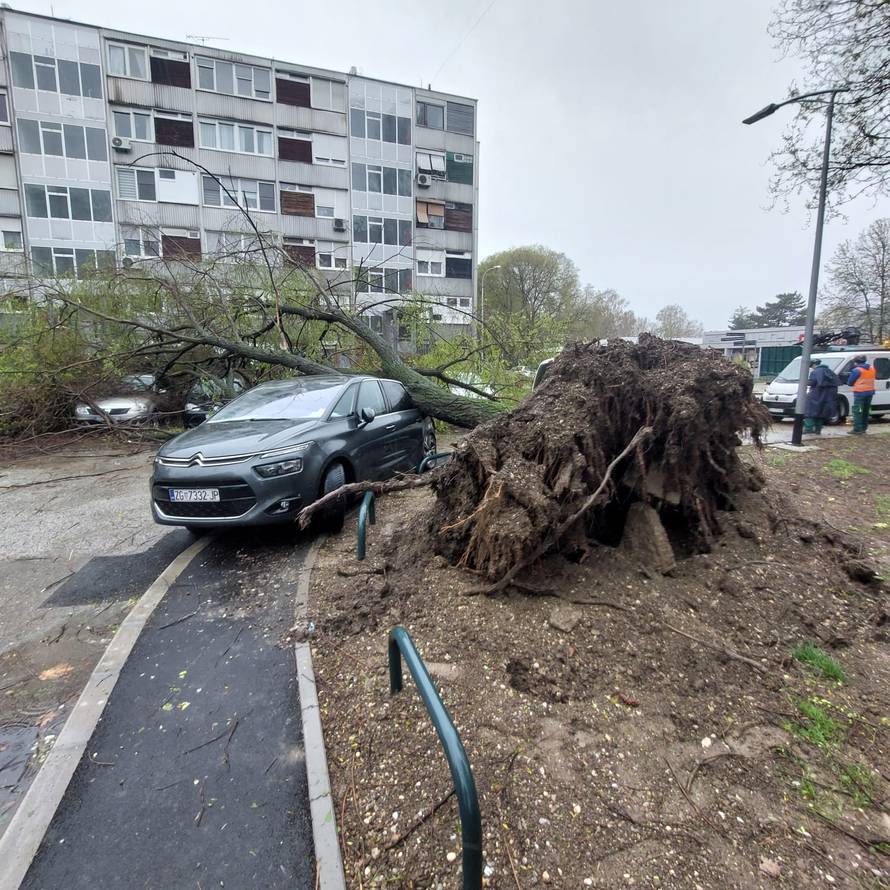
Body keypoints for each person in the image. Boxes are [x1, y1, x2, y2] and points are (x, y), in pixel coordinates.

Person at [803, 359, 840, 435]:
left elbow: (812, 382)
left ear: (813, 365)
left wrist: (805, 382)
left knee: (809, 411)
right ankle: (818, 429)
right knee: (821, 412)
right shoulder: (830, 372)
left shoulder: (815, 372)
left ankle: (808, 428)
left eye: (811, 366)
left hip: (816, 395)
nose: (812, 368)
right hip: (827, 397)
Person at [846, 354, 876, 435]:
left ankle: (857, 429)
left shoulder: (857, 370)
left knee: (858, 411)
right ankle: (864, 428)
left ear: (856, 362)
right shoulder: (872, 369)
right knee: (866, 411)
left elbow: (849, 382)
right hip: (870, 392)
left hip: (860, 394)